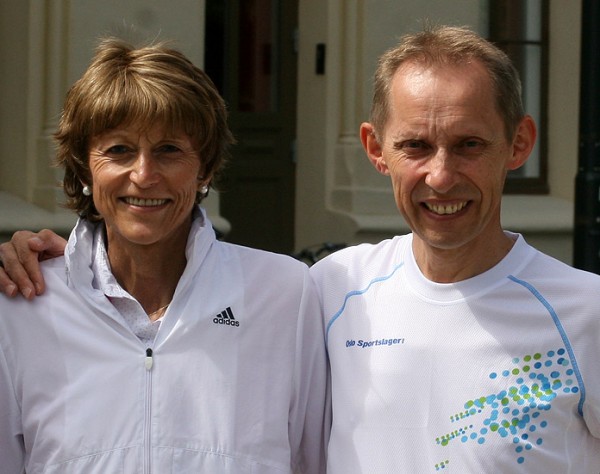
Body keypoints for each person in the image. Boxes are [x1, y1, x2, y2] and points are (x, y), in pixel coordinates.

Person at [4, 24, 600, 473]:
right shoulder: (332, 288)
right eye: (416, 144)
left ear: (518, 143)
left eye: (469, 144)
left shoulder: (291, 291)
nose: (441, 176)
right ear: (377, 149)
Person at [0, 38, 328, 473]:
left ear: (205, 167)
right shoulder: (23, 304)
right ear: (83, 168)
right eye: (118, 150)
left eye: (169, 150)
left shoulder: (285, 292)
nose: (144, 175)